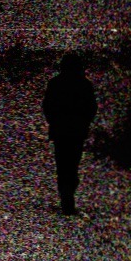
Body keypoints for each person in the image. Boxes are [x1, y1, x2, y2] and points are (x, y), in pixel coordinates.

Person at [42, 52, 97, 215]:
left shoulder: (55, 83)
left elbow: (48, 106)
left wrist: (53, 121)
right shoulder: (84, 85)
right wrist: (84, 123)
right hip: (76, 131)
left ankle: (66, 200)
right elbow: (91, 108)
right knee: (72, 166)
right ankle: (68, 200)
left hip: (61, 131)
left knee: (63, 167)